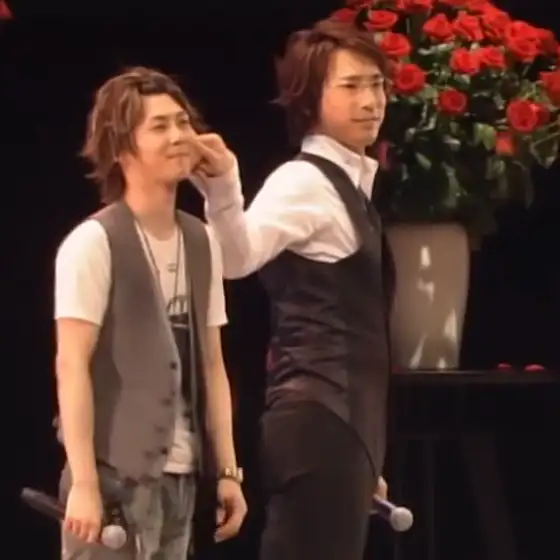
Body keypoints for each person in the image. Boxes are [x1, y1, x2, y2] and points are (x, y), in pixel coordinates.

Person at [192, 19, 395, 560]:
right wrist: (222, 187)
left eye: (376, 84)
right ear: (310, 99)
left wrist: (364, 455)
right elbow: (236, 258)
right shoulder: (303, 181)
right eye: (350, 86)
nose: (370, 100)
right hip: (317, 416)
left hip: (341, 428)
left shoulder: (349, 182)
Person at [53, 66, 247, 560]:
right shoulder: (93, 243)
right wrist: (85, 484)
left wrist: (228, 471)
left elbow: (213, 365)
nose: (179, 136)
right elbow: (72, 366)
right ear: (121, 147)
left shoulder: (201, 241)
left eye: (182, 123)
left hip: (181, 479)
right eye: (160, 126)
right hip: (115, 478)